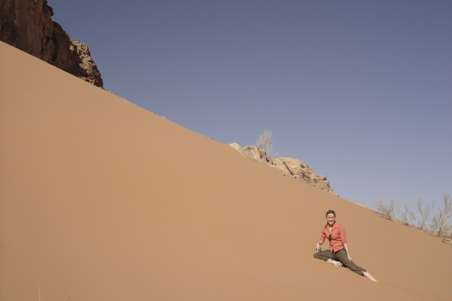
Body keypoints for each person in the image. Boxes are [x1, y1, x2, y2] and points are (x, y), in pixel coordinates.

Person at [313, 209, 377, 282]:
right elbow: (322, 238)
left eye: (332, 217)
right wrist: (318, 243)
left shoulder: (340, 227)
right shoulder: (325, 228)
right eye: (329, 217)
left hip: (340, 251)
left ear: (335, 217)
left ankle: (372, 278)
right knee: (317, 255)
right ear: (326, 218)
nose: (331, 219)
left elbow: (344, 242)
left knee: (352, 266)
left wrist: (348, 255)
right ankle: (335, 262)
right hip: (332, 252)